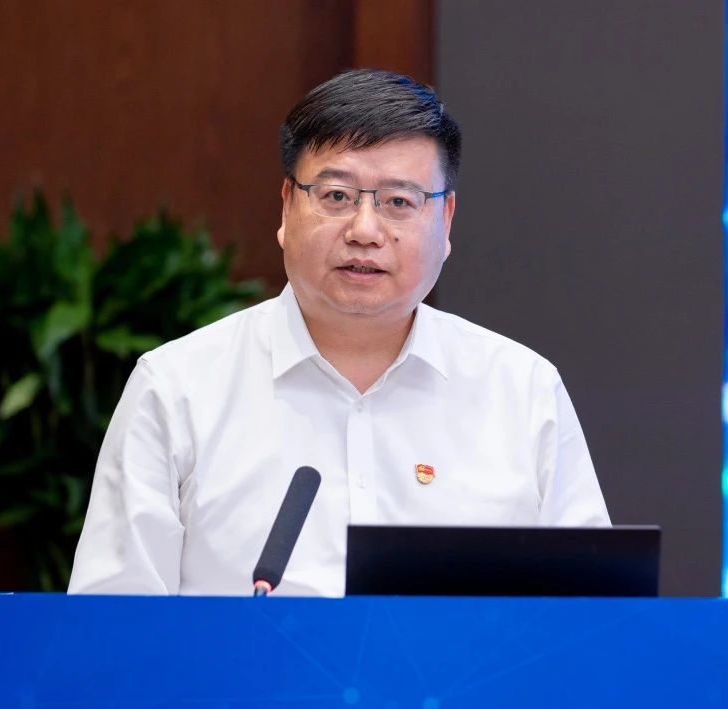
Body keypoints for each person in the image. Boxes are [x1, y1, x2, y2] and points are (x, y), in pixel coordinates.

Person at [68, 69, 608, 596]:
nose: (365, 231)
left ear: (445, 221)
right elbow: (109, 625)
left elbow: (593, 620)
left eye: (399, 202)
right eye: (336, 196)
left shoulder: (523, 392)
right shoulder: (176, 389)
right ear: (287, 206)